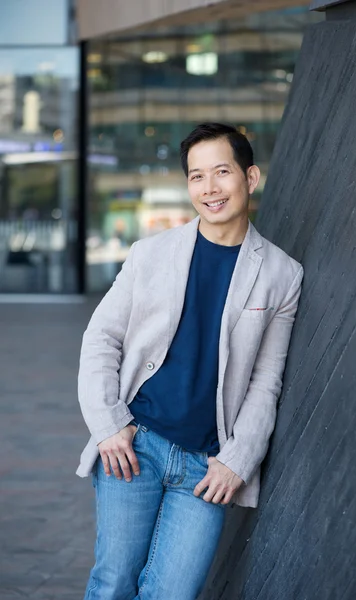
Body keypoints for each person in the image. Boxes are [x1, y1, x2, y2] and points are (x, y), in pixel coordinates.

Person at [77, 122, 304, 600]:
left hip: (207, 467)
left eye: (222, 172)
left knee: (174, 594)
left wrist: (238, 459)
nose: (210, 188)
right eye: (197, 176)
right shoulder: (150, 254)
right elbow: (102, 337)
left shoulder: (282, 275)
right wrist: (108, 423)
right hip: (134, 448)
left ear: (250, 177)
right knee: (113, 582)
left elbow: (267, 382)